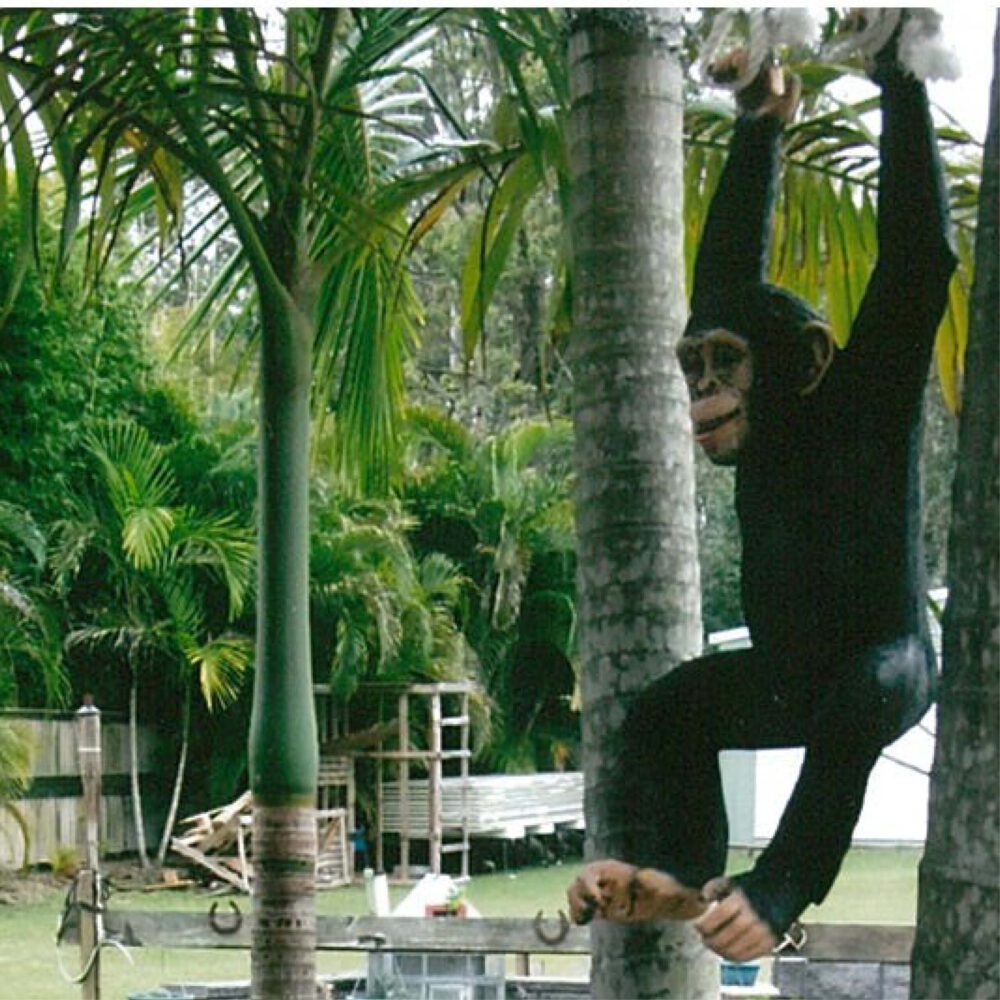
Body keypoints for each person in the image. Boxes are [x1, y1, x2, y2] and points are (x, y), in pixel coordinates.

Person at [567, 12, 956, 963]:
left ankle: (779, 887)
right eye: (693, 366)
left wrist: (901, 76)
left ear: (805, 362)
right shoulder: (768, 406)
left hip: (890, 658)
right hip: (791, 674)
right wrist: (759, 125)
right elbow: (725, 280)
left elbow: (916, 262)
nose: (703, 392)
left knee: (860, 695)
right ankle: (677, 878)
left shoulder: (861, 398)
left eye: (725, 366)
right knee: (665, 712)